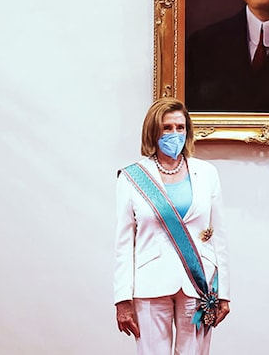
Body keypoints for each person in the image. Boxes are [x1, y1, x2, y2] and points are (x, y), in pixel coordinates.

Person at [114, 97, 230, 354]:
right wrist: (122, 298)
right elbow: (123, 244)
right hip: (150, 283)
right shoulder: (132, 177)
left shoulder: (207, 173)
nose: (174, 134)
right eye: (167, 128)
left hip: (198, 283)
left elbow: (218, 236)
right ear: (153, 131)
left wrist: (224, 292)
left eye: (180, 127)